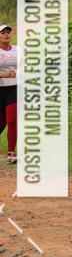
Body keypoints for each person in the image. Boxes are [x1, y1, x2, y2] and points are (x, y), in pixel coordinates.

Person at [0, 23, 20, 163]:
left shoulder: (18, 50)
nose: (6, 34)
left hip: (14, 88)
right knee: (1, 123)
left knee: (12, 120)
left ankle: (11, 152)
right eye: (3, 32)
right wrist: (4, 74)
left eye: (8, 32)